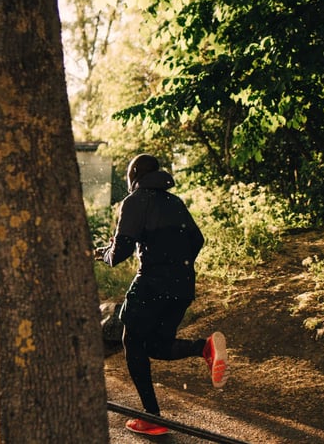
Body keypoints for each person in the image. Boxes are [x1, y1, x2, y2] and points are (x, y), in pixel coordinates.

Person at [95, 153, 228, 436]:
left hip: (152, 283)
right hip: (181, 286)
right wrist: (178, 265)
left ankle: (152, 416)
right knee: (155, 345)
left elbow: (119, 254)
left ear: (134, 175)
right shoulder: (174, 202)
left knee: (131, 341)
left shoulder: (134, 201)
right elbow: (197, 239)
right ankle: (203, 348)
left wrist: (101, 254)